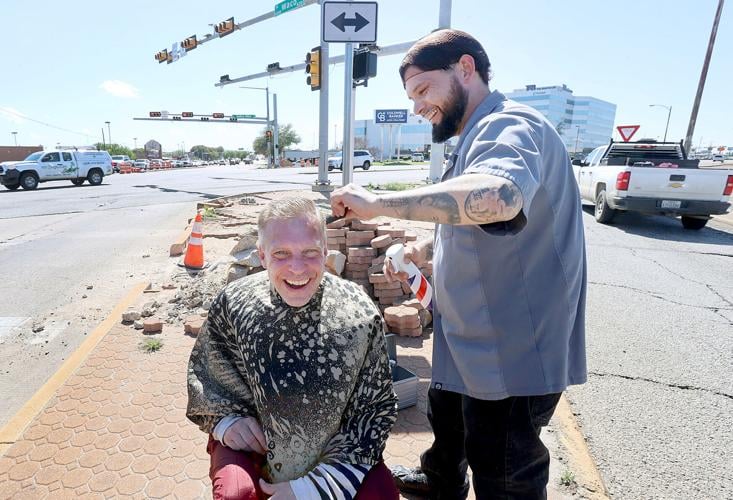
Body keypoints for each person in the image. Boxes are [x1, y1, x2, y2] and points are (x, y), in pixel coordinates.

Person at [330, 29, 587, 500]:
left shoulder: (510, 125)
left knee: (504, 466)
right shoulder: (474, 137)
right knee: (447, 414)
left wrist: (377, 203)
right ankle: (441, 478)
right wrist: (419, 253)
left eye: (423, 89)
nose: (417, 106)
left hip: (511, 349)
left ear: (465, 69)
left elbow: (499, 198)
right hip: (471, 334)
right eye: (411, 96)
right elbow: (466, 221)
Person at [186, 197, 399, 500]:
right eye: (281, 253)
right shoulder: (234, 303)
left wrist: (313, 488)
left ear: (325, 252)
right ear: (262, 255)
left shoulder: (359, 313)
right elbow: (207, 377)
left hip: (339, 458)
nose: (297, 268)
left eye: (310, 252)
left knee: (383, 494)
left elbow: (374, 408)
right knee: (236, 494)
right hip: (257, 453)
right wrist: (225, 423)